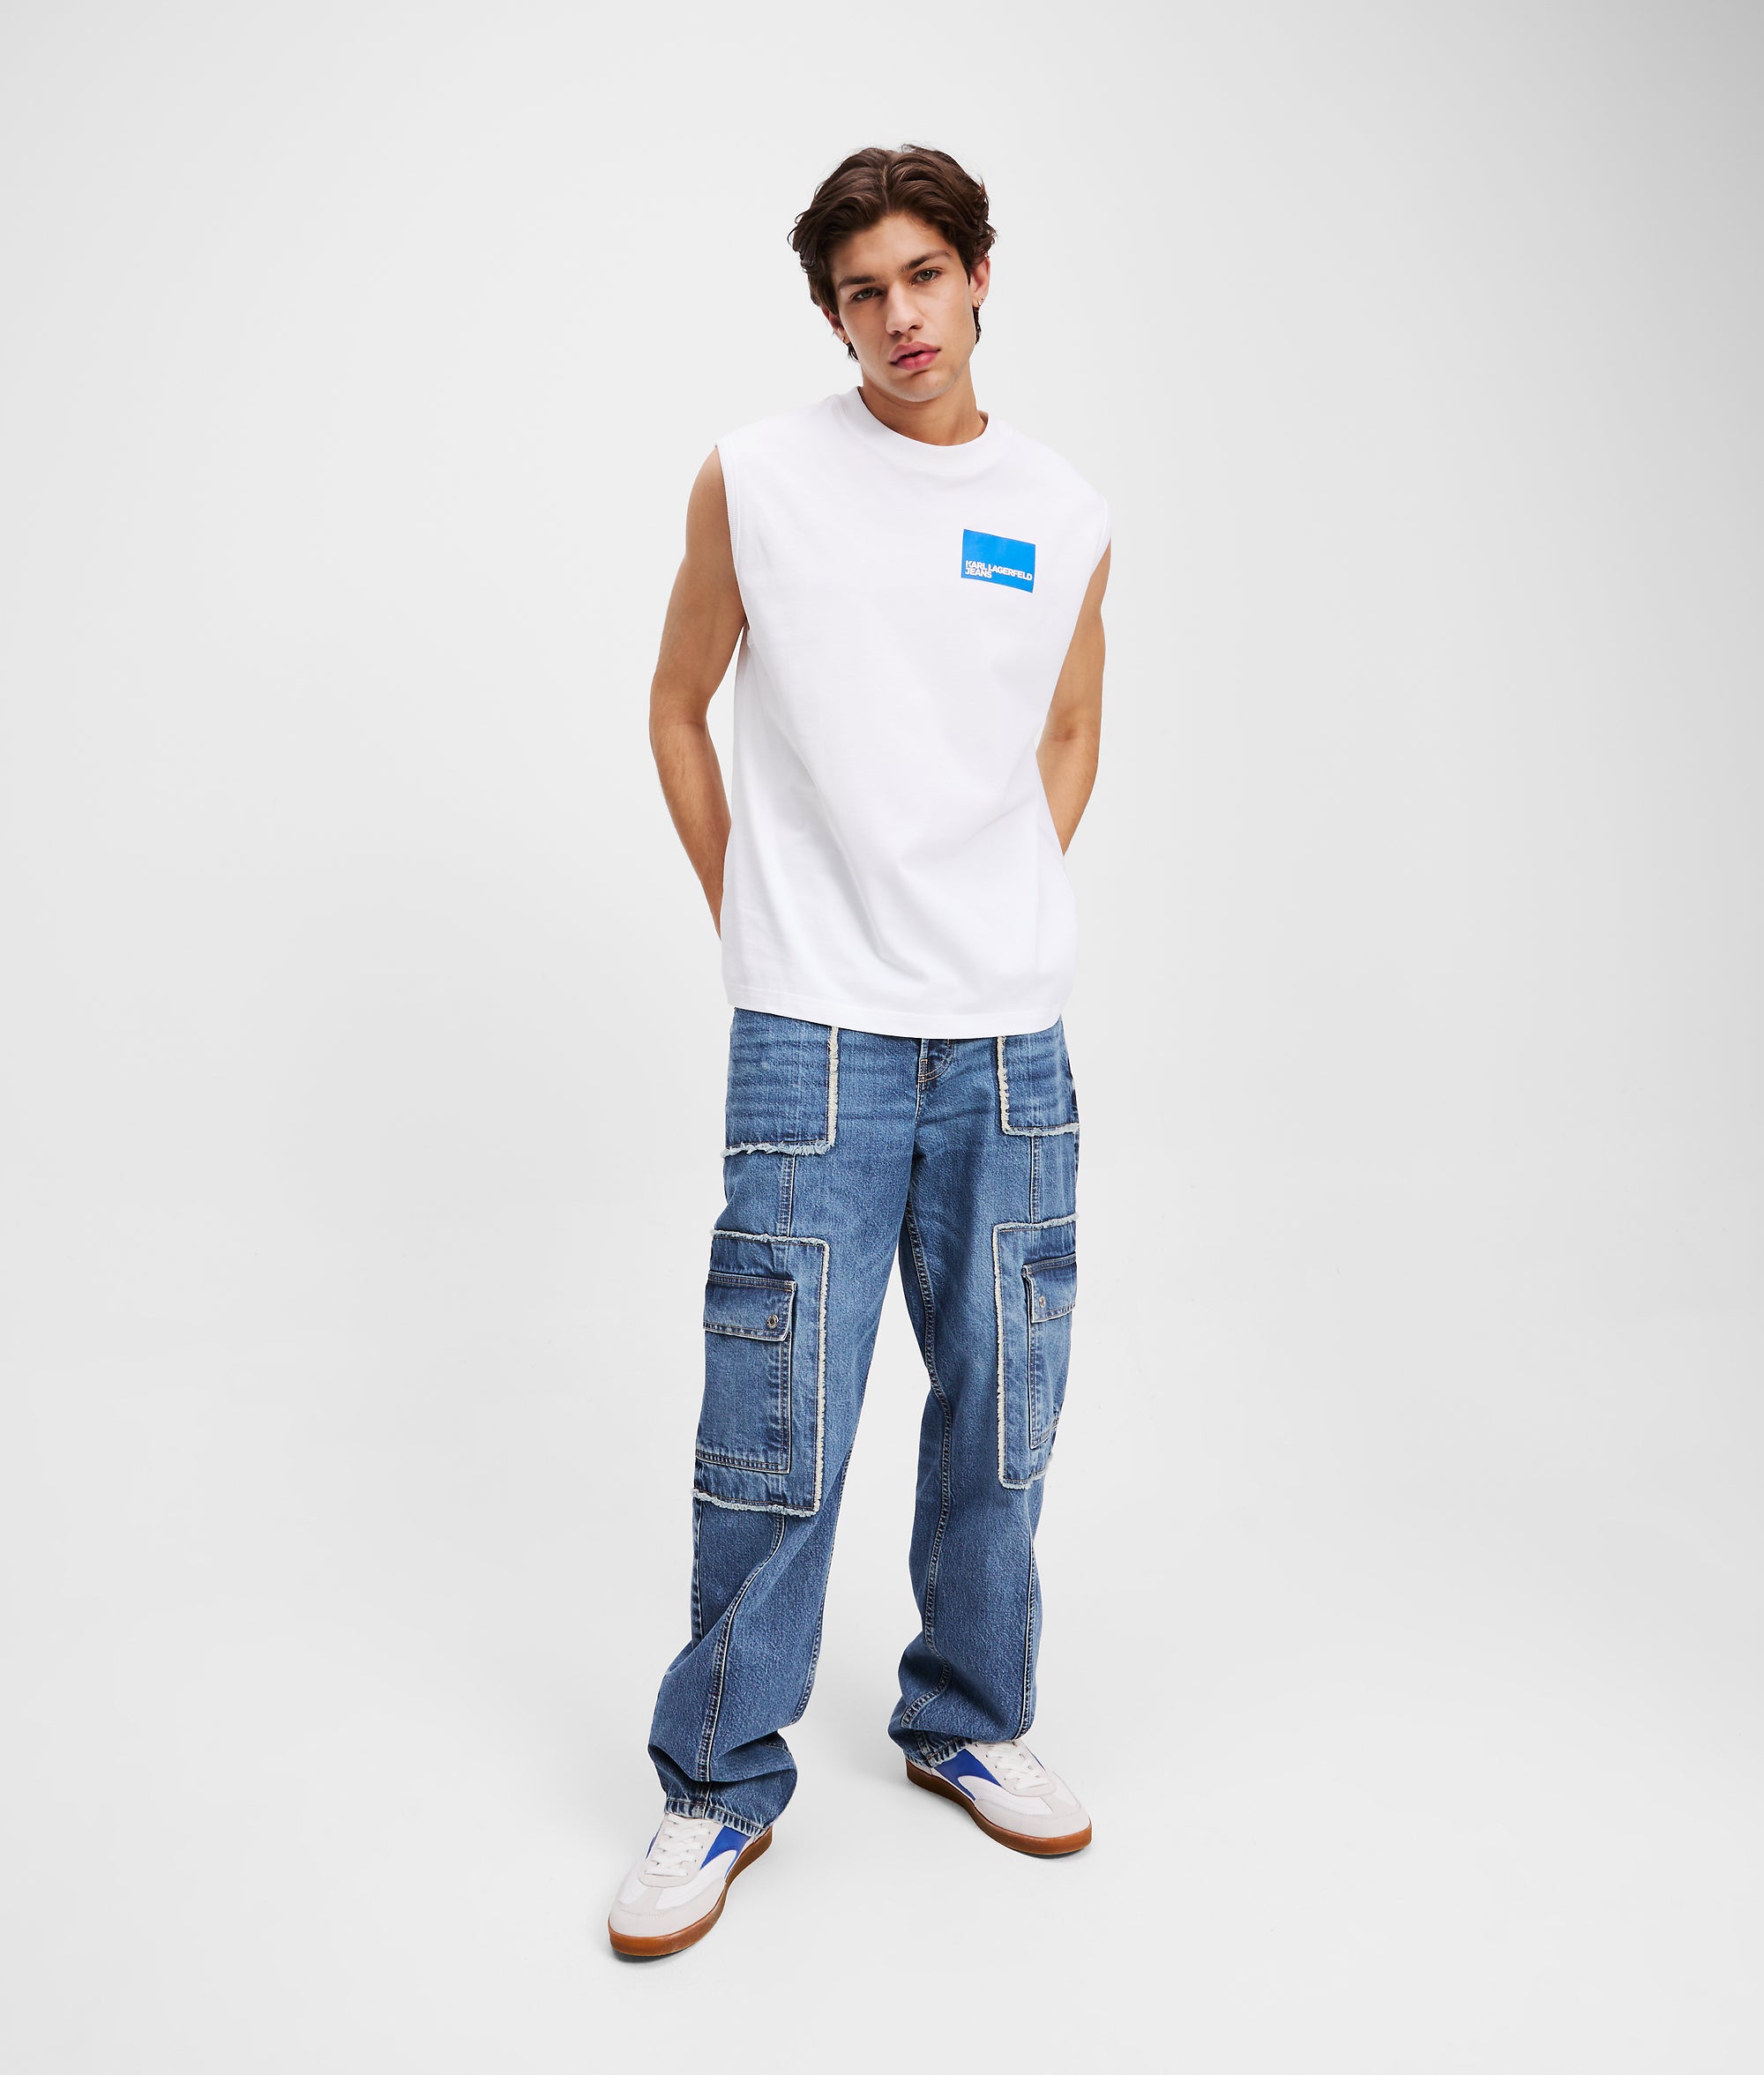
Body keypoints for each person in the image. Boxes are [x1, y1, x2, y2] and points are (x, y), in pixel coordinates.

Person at [609, 144, 1111, 1959]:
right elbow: (677, 705)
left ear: (980, 275)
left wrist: (994, 908)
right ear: (833, 316)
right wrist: (759, 916)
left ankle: (967, 1717)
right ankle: (717, 1780)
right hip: (813, 1033)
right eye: (861, 291)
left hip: (1006, 1043)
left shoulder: (1062, 509)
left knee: (1003, 1404)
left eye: (923, 275)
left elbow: (1068, 727)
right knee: (776, 1420)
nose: (898, 316)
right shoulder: (756, 476)